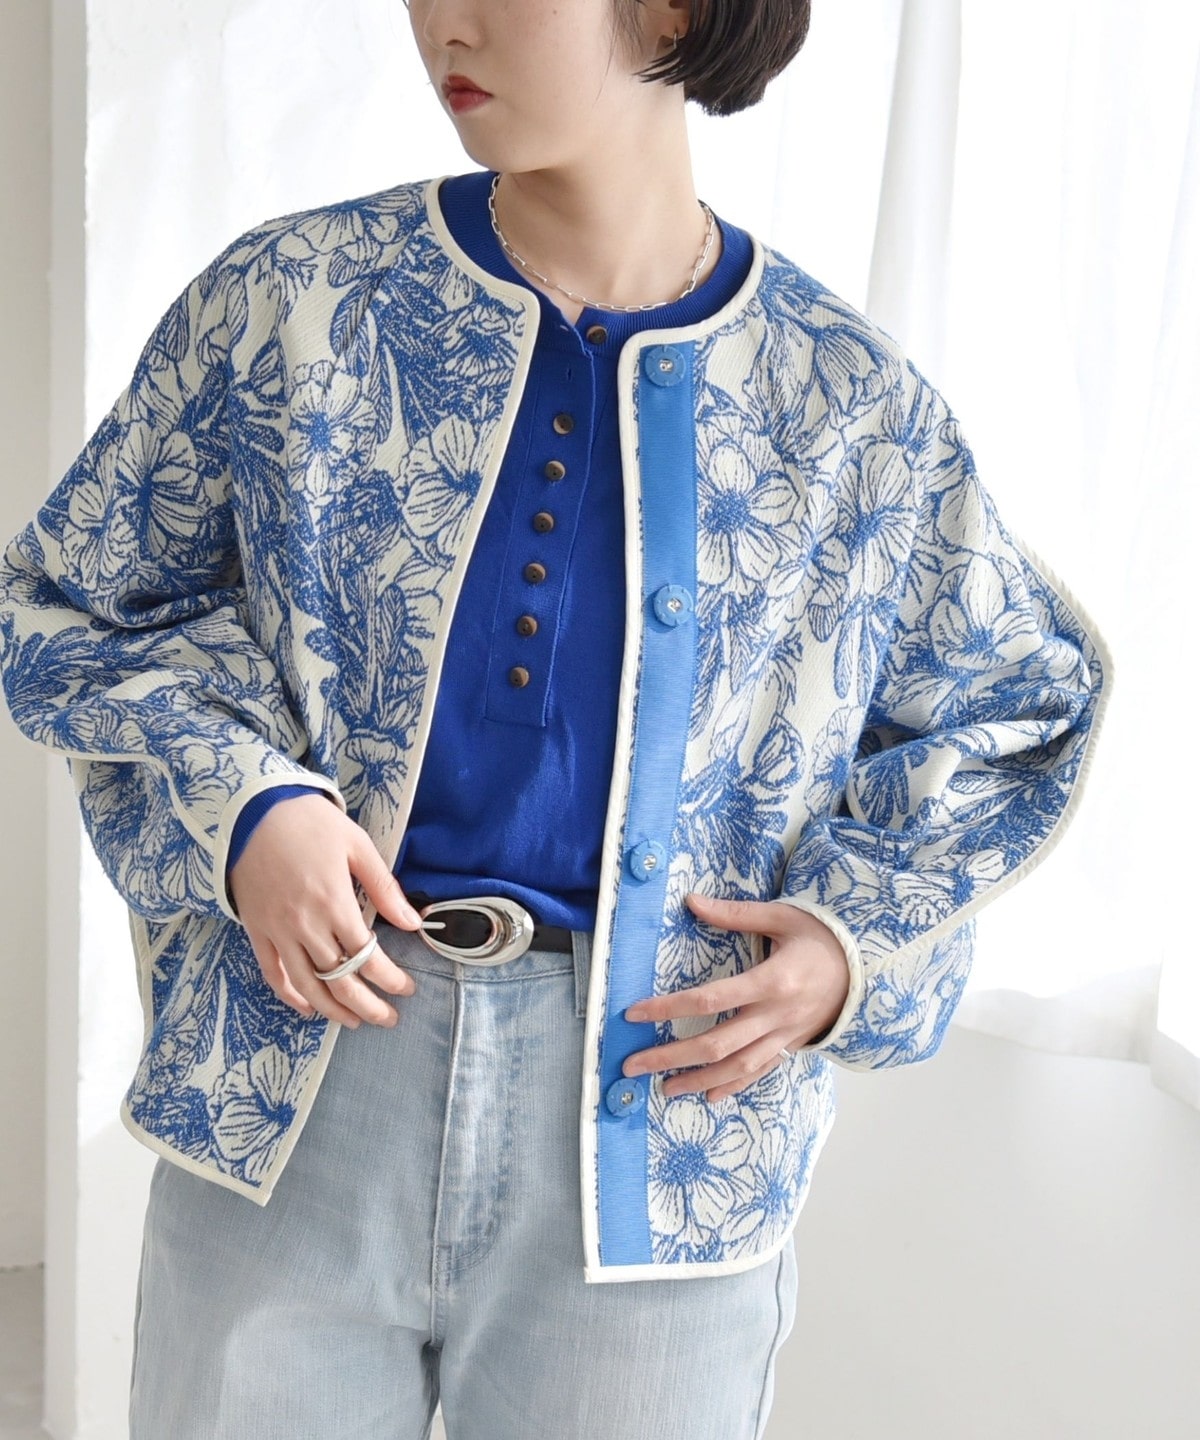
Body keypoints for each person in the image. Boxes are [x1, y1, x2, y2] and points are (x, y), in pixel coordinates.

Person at [0, 1, 1113, 1436]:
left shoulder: (849, 404)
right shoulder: (297, 301)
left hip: (663, 1125)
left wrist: (851, 943)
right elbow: (73, 600)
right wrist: (249, 805)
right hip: (302, 1075)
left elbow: (1020, 707)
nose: (442, 22)